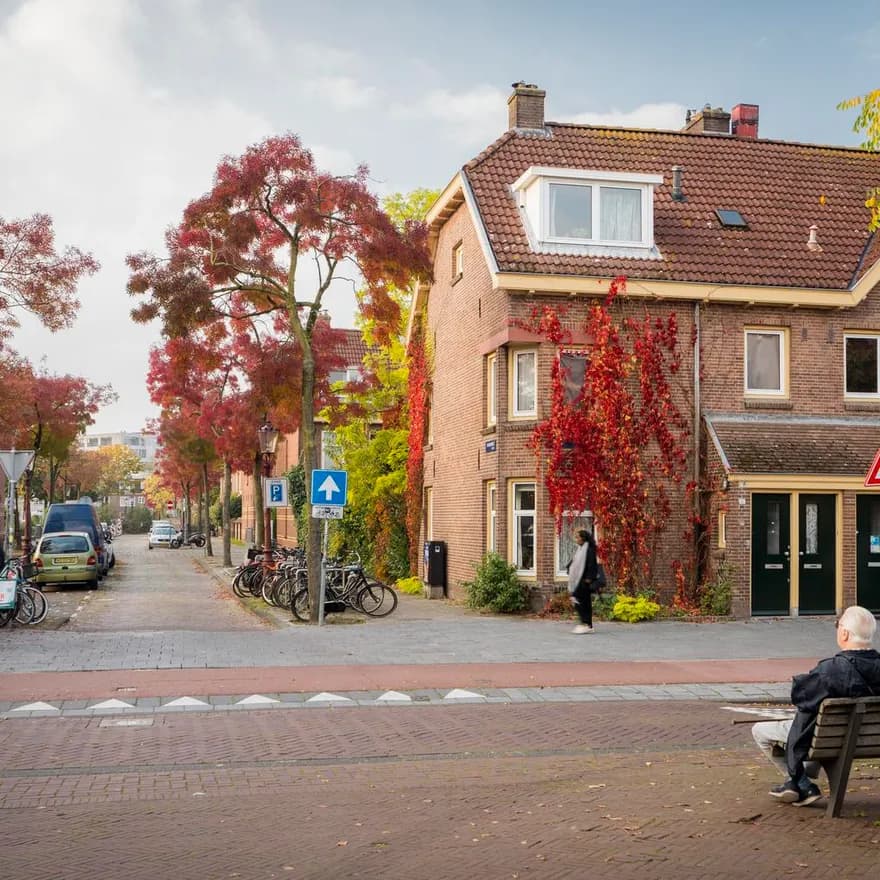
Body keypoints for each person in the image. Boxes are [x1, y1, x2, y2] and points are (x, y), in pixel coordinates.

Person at [752, 605, 880, 806]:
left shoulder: (830, 670)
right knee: (820, 731)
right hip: (868, 740)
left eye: (838, 625)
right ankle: (799, 780)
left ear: (844, 633)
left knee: (760, 731)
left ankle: (802, 783)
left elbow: (801, 698)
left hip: (827, 738)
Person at [567, 528, 598, 634]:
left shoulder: (589, 549)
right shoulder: (580, 549)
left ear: (583, 538)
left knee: (578, 599)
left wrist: (589, 578)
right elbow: (575, 562)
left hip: (585, 580)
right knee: (584, 601)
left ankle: (585, 623)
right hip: (579, 579)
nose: (576, 539)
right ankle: (588, 624)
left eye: (578, 537)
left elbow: (592, 564)